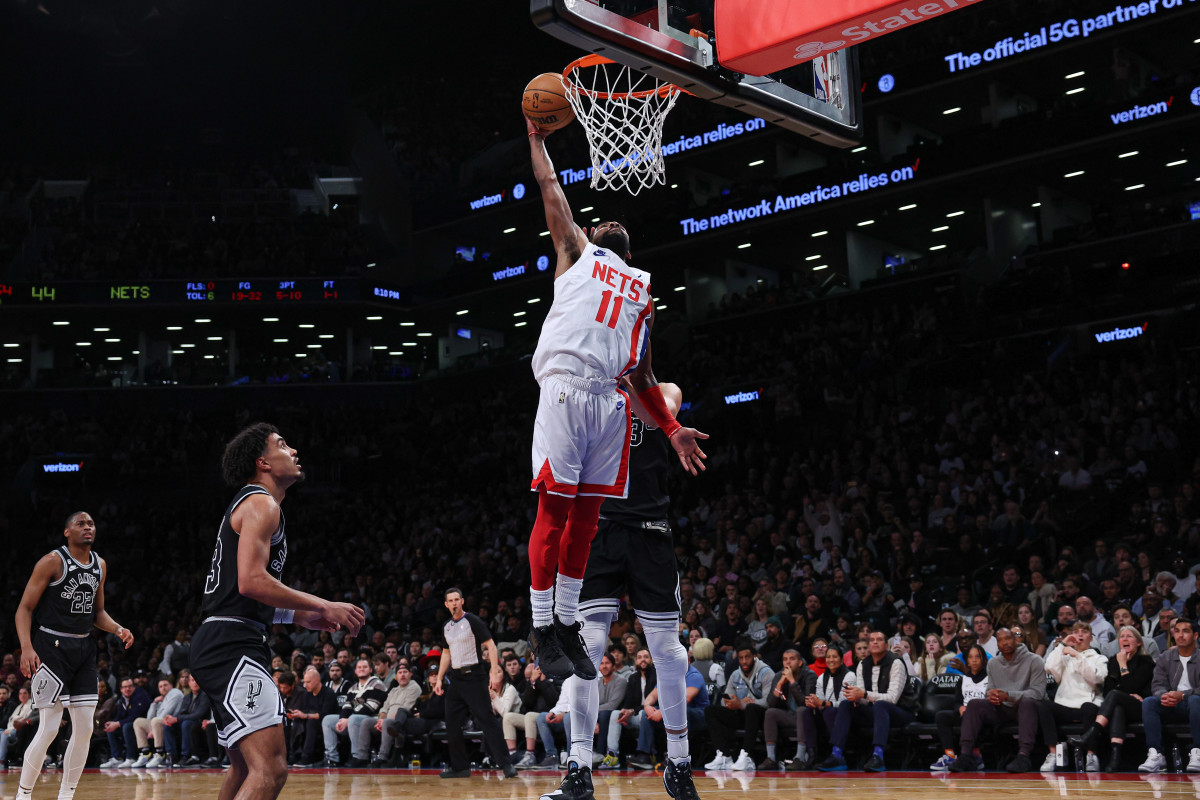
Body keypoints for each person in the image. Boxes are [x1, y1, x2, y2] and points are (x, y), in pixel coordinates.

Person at [523, 115, 708, 684]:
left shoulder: (642, 293)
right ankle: (541, 625)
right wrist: (536, 140)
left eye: (616, 222)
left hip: (609, 399)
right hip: (565, 388)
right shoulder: (576, 252)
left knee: (586, 519)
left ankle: (566, 623)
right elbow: (550, 188)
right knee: (554, 512)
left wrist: (672, 429)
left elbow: (643, 375)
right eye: (601, 220)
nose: (610, 221)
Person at [189, 423, 364, 800]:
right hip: (231, 644)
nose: (293, 451)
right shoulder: (261, 503)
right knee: (270, 769)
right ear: (263, 462)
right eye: (282, 445)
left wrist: (296, 616)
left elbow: (239, 593)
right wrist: (323, 604)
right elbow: (251, 581)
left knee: (244, 766)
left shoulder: (253, 504)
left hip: (223, 638)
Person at [546, 380, 701, 800]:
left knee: (669, 651)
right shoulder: (587, 389)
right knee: (587, 650)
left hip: (650, 530)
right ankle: (579, 769)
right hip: (598, 528)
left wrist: (628, 374)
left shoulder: (664, 389)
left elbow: (653, 412)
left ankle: (679, 763)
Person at [13, 510, 134, 800]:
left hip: (83, 648)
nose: (87, 527)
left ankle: (66, 795)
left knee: (84, 729)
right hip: (50, 646)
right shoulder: (52, 561)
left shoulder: (99, 565)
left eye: (91, 523)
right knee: (50, 727)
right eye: (80, 523)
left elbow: (98, 612)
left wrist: (118, 628)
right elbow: (24, 608)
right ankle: (23, 794)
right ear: (67, 532)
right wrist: (26, 647)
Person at [430, 587, 518, 779]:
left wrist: (494, 671)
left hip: (474, 677)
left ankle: (506, 763)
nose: (454, 603)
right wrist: (439, 678)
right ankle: (460, 767)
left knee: (486, 719)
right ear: (446, 604)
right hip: (456, 679)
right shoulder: (446, 626)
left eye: (457, 599)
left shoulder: (473, 621)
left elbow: (491, 646)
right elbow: (446, 653)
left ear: (462, 601)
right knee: (452, 723)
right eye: (450, 600)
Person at [816, 630, 919, 773]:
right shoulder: (863, 664)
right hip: (876, 711)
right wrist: (855, 697)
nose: (875, 642)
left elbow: (892, 698)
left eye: (879, 639)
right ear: (869, 646)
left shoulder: (896, 663)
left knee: (881, 705)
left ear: (886, 645)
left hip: (902, 712)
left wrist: (864, 694)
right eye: (872, 640)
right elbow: (864, 699)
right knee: (846, 704)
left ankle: (878, 756)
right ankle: (837, 755)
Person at [949, 628, 1046, 773]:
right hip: (1003, 708)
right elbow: (990, 689)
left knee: (1028, 703)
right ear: (997, 644)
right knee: (974, 704)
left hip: (1028, 708)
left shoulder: (1034, 660)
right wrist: (991, 695)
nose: (1004, 643)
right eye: (1000, 640)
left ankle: (1023, 756)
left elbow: (1038, 693)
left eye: (1008, 638)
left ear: (1015, 640)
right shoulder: (993, 663)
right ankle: (966, 755)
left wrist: (1007, 695)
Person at [1070, 625, 1154, 772]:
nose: (1125, 639)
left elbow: (1130, 688)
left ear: (1139, 642)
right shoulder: (1113, 661)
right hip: (1120, 705)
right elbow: (1108, 691)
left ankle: (1092, 732)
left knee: (1116, 695)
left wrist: (1123, 665)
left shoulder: (1146, 662)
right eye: (1122, 637)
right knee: (1117, 706)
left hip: (1140, 707)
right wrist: (1124, 690)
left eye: (1129, 636)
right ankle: (1115, 757)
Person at [1038, 622, 1107, 772]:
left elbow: (1095, 678)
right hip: (1065, 704)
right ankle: (1053, 754)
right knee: (1045, 706)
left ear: (1091, 638)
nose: (1080, 634)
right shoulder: (1065, 657)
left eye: (1084, 631)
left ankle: (1091, 755)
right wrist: (1062, 645)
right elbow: (1049, 667)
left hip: (1086, 704)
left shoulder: (1099, 658)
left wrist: (1077, 655)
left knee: (1089, 708)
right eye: (1076, 631)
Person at [1139, 617, 1200, 773]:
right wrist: (1165, 696)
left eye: (1185, 631)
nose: (1180, 635)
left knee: (1195, 700)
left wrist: (1182, 695)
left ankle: (1198, 752)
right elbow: (1157, 685)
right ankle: (1156, 754)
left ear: (1195, 635)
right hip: (1172, 704)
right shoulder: (1165, 657)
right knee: (1149, 702)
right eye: (1177, 631)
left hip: (1194, 705)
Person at [704, 638, 775, 772]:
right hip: (742, 715)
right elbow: (725, 699)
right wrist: (730, 702)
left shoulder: (766, 672)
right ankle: (724, 755)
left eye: (747, 657)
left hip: (762, 718)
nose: (744, 661)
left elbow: (768, 702)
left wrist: (742, 704)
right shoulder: (735, 675)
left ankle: (746, 756)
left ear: (754, 657)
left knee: (751, 708)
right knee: (710, 710)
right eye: (741, 658)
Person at [930, 644, 990, 771]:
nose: (974, 660)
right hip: (964, 713)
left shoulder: (989, 678)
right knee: (942, 716)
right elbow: (957, 701)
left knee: (971, 715)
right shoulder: (963, 680)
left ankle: (976, 755)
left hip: (982, 715)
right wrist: (960, 708)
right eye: (971, 657)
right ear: (967, 661)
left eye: (977, 657)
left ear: (983, 660)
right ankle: (950, 755)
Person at [323, 657, 386, 767]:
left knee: (353, 719)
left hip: (373, 719)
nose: (361, 669)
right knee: (328, 720)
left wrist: (348, 720)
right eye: (359, 667)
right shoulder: (353, 687)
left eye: (365, 667)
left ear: (371, 670)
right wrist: (342, 719)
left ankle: (357, 756)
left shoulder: (377, 684)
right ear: (355, 671)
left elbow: (370, 708)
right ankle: (332, 758)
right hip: (353, 720)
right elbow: (347, 706)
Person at [758, 648, 816, 770]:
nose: (788, 662)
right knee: (770, 712)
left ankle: (799, 758)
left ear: (800, 662)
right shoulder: (779, 675)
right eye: (785, 659)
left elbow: (806, 703)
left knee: (801, 710)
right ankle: (771, 758)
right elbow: (771, 703)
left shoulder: (809, 675)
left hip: (808, 717)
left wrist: (792, 682)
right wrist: (779, 684)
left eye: (792, 659)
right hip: (790, 716)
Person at [371, 662, 421, 767]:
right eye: (400, 672)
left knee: (387, 723)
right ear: (396, 676)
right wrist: (380, 719)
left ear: (410, 674)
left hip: (403, 720)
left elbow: (406, 708)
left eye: (405, 672)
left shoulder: (414, 687)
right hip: (387, 719)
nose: (402, 675)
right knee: (366, 722)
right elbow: (384, 708)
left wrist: (384, 721)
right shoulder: (394, 690)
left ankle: (382, 757)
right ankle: (361, 757)